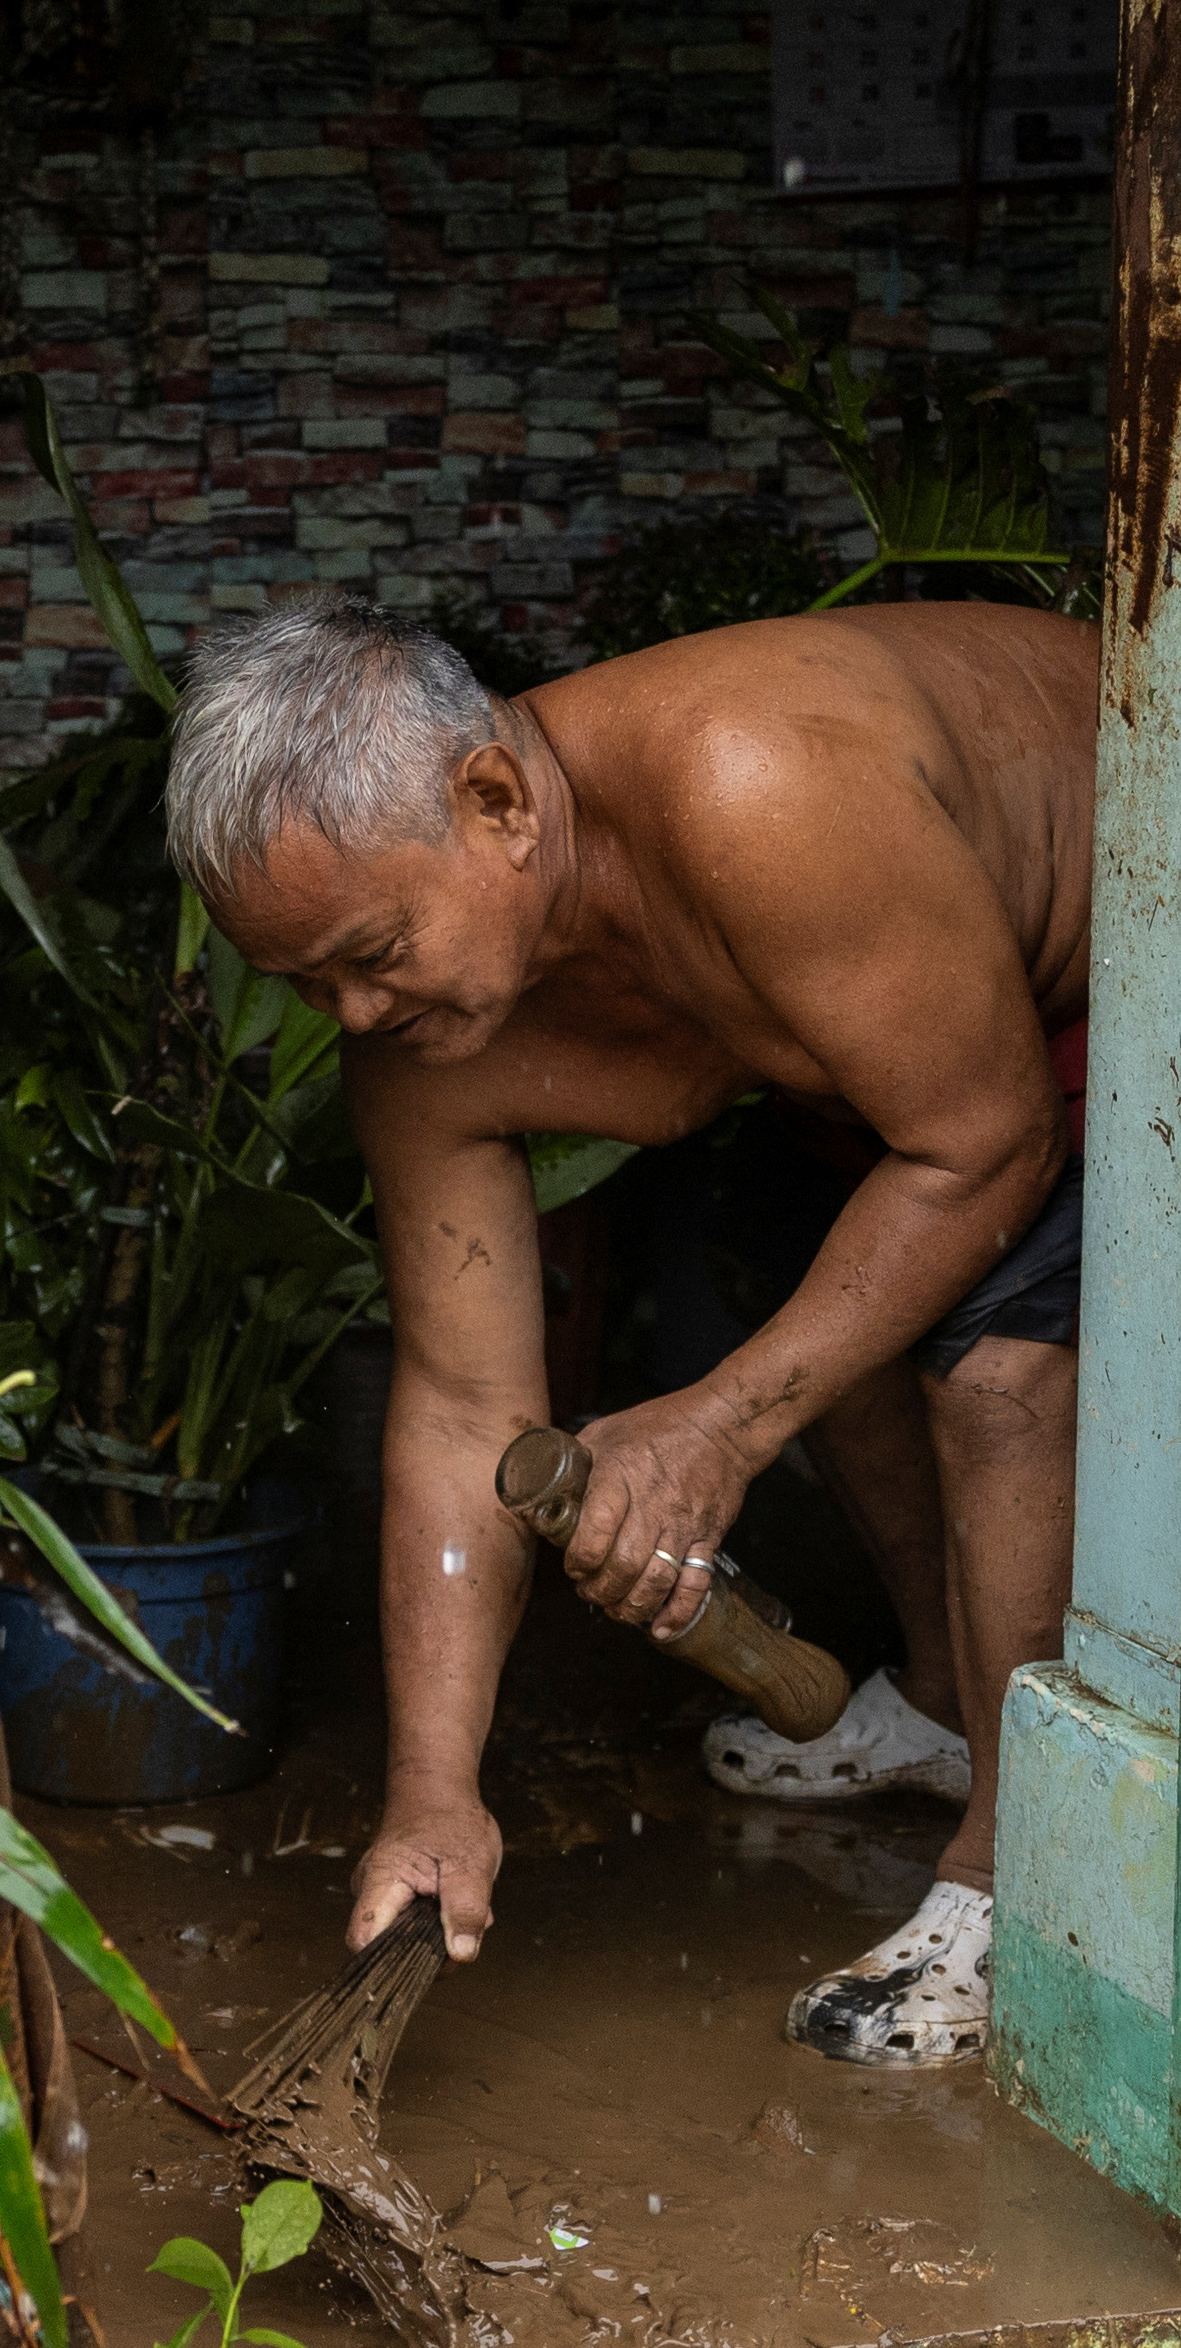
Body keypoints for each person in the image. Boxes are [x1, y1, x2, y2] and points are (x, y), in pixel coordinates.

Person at [168, 594, 1093, 2062]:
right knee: (822, 1312)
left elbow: (986, 1143)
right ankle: (941, 1699)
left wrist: (715, 1429)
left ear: (496, 803)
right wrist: (433, 1794)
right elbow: (462, 1407)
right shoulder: (419, 1039)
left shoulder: (754, 786)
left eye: (373, 949)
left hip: (1129, 969)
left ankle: (1018, 1878)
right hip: (875, 1054)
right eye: (302, 982)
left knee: (993, 1373)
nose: (350, 1013)